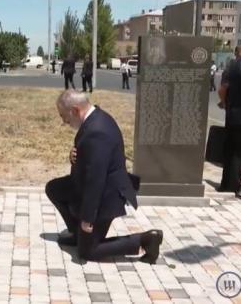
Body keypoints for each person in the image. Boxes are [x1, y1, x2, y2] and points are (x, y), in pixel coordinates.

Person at [45, 90, 163, 263]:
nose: (64, 122)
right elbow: (90, 159)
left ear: (76, 110)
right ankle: (78, 234)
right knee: (54, 189)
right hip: (89, 186)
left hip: (105, 196)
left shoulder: (97, 131)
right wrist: (74, 157)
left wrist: (87, 218)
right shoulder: (95, 118)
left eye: (64, 116)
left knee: (88, 252)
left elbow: (96, 179)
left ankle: (145, 240)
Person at [218, 45, 241, 199]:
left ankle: (225, 185)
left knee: (230, 152)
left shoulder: (232, 65)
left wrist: (225, 104)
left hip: (232, 115)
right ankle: (234, 188)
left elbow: (222, 90)